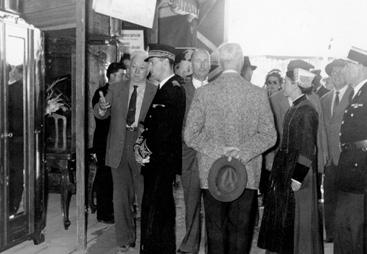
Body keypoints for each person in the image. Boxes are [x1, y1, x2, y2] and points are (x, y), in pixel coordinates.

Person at [184, 42, 276, 254]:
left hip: (212, 175)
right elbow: (270, 135)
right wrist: (241, 153)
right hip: (247, 176)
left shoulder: (204, 93)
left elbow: (190, 135)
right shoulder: (258, 94)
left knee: (215, 236)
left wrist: (220, 151)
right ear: (242, 62)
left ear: (220, 62)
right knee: (241, 237)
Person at [94, 53, 156, 253]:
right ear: (129, 69)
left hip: (143, 148)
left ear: (149, 70)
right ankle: (125, 239)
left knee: (146, 196)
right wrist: (102, 108)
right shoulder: (116, 88)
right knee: (121, 198)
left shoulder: (156, 91)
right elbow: (100, 111)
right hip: (118, 147)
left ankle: (148, 240)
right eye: (134, 68)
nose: (137, 72)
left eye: (142, 69)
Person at [258, 65, 324, 254]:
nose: (283, 86)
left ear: (296, 85)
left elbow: (307, 148)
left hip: (298, 173)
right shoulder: (297, 107)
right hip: (288, 170)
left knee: (299, 222)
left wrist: (297, 177)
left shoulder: (306, 110)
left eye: (286, 82)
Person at [139, 44, 186, 254]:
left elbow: (165, 132)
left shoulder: (173, 90)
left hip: (160, 162)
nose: (150, 68)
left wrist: (145, 151)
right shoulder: (164, 88)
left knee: (157, 212)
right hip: (157, 162)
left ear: (166, 62)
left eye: (153, 63)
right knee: (157, 210)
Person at [334, 46, 367, 254]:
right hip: (349, 168)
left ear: (362, 67)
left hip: (361, 170)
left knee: (357, 228)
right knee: (345, 226)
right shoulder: (355, 94)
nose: (344, 70)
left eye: (348, 65)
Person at [178, 48, 210, 254]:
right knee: (191, 203)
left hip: (212, 155)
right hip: (189, 155)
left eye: (206, 62)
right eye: (198, 62)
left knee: (213, 205)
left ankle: (211, 246)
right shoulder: (181, 89)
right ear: (191, 64)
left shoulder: (218, 88)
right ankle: (190, 245)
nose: (202, 66)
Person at [320, 59, 353, 243]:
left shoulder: (354, 95)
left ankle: (346, 236)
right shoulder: (324, 99)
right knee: (330, 197)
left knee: (348, 199)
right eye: (333, 73)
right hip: (331, 160)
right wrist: (325, 153)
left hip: (348, 159)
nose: (336, 76)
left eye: (340, 72)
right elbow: (322, 130)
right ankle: (330, 234)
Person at [91, 65, 114, 224]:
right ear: (112, 76)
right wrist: (102, 108)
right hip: (103, 142)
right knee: (105, 177)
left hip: (113, 142)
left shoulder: (120, 92)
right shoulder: (101, 93)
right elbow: (99, 112)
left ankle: (110, 210)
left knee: (111, 178)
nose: (124, 77)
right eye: (121, 74)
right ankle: (104, 213)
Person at [8, 64, 24, 216]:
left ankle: (12, 208)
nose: (11, 72)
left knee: (15, 174)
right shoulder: (17, 88)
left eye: (14, 69)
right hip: (16, 139)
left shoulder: (16, 89)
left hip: (13, 139)